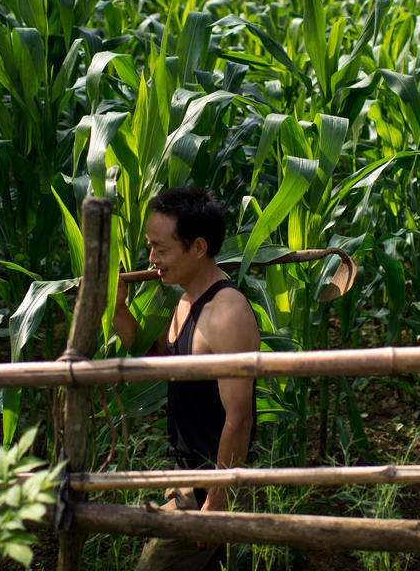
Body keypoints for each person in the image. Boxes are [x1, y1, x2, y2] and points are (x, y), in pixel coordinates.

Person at [112, 187, 260, 571]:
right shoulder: (185, 298)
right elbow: (160, 363)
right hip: (187, 475)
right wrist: (118, 309)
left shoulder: (226, 314)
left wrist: (217, 500)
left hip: (212, 481)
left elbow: (239, 417)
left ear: (198, 248)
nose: (152, 259)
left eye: (161, 249)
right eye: (150, 247)